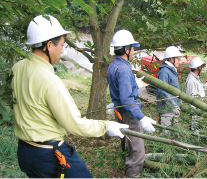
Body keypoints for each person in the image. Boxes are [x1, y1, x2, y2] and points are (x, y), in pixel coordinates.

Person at [12, 15, 129, 178]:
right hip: (49, 155)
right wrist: (106, 126)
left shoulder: (17, 68)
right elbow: (74, 124)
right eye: (61, 45)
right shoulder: (49, 80)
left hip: (25, 152)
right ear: (49, 45)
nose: (63, 50)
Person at [107, 29, 156, 178]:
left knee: (131, 147)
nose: (134, 51)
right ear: (127, 49)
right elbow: (127, 100)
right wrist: (141, 118)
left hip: (121, 112)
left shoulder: (114, 65)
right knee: (137, 154)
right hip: (129, 115)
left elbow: (117, 88)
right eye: (133, 48)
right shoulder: (122, 68)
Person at [156, 46, 183, 128]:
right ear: (171, 59)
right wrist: (173, 105)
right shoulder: (164, 71)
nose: (180, 61)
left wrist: (178, 101)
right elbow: (162, 91)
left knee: (174, 134)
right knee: (166, 134)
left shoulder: (172, 70)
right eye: (177, 59)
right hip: (166, 110)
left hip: (173, 109)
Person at [185, 56, 206, 132]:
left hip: (198, 109)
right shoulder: (191, 80)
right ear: (198, 68)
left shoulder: (195, 78)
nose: (202, 69)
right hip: (195, 111)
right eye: (201, 67)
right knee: (196, 131)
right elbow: (192, 99)